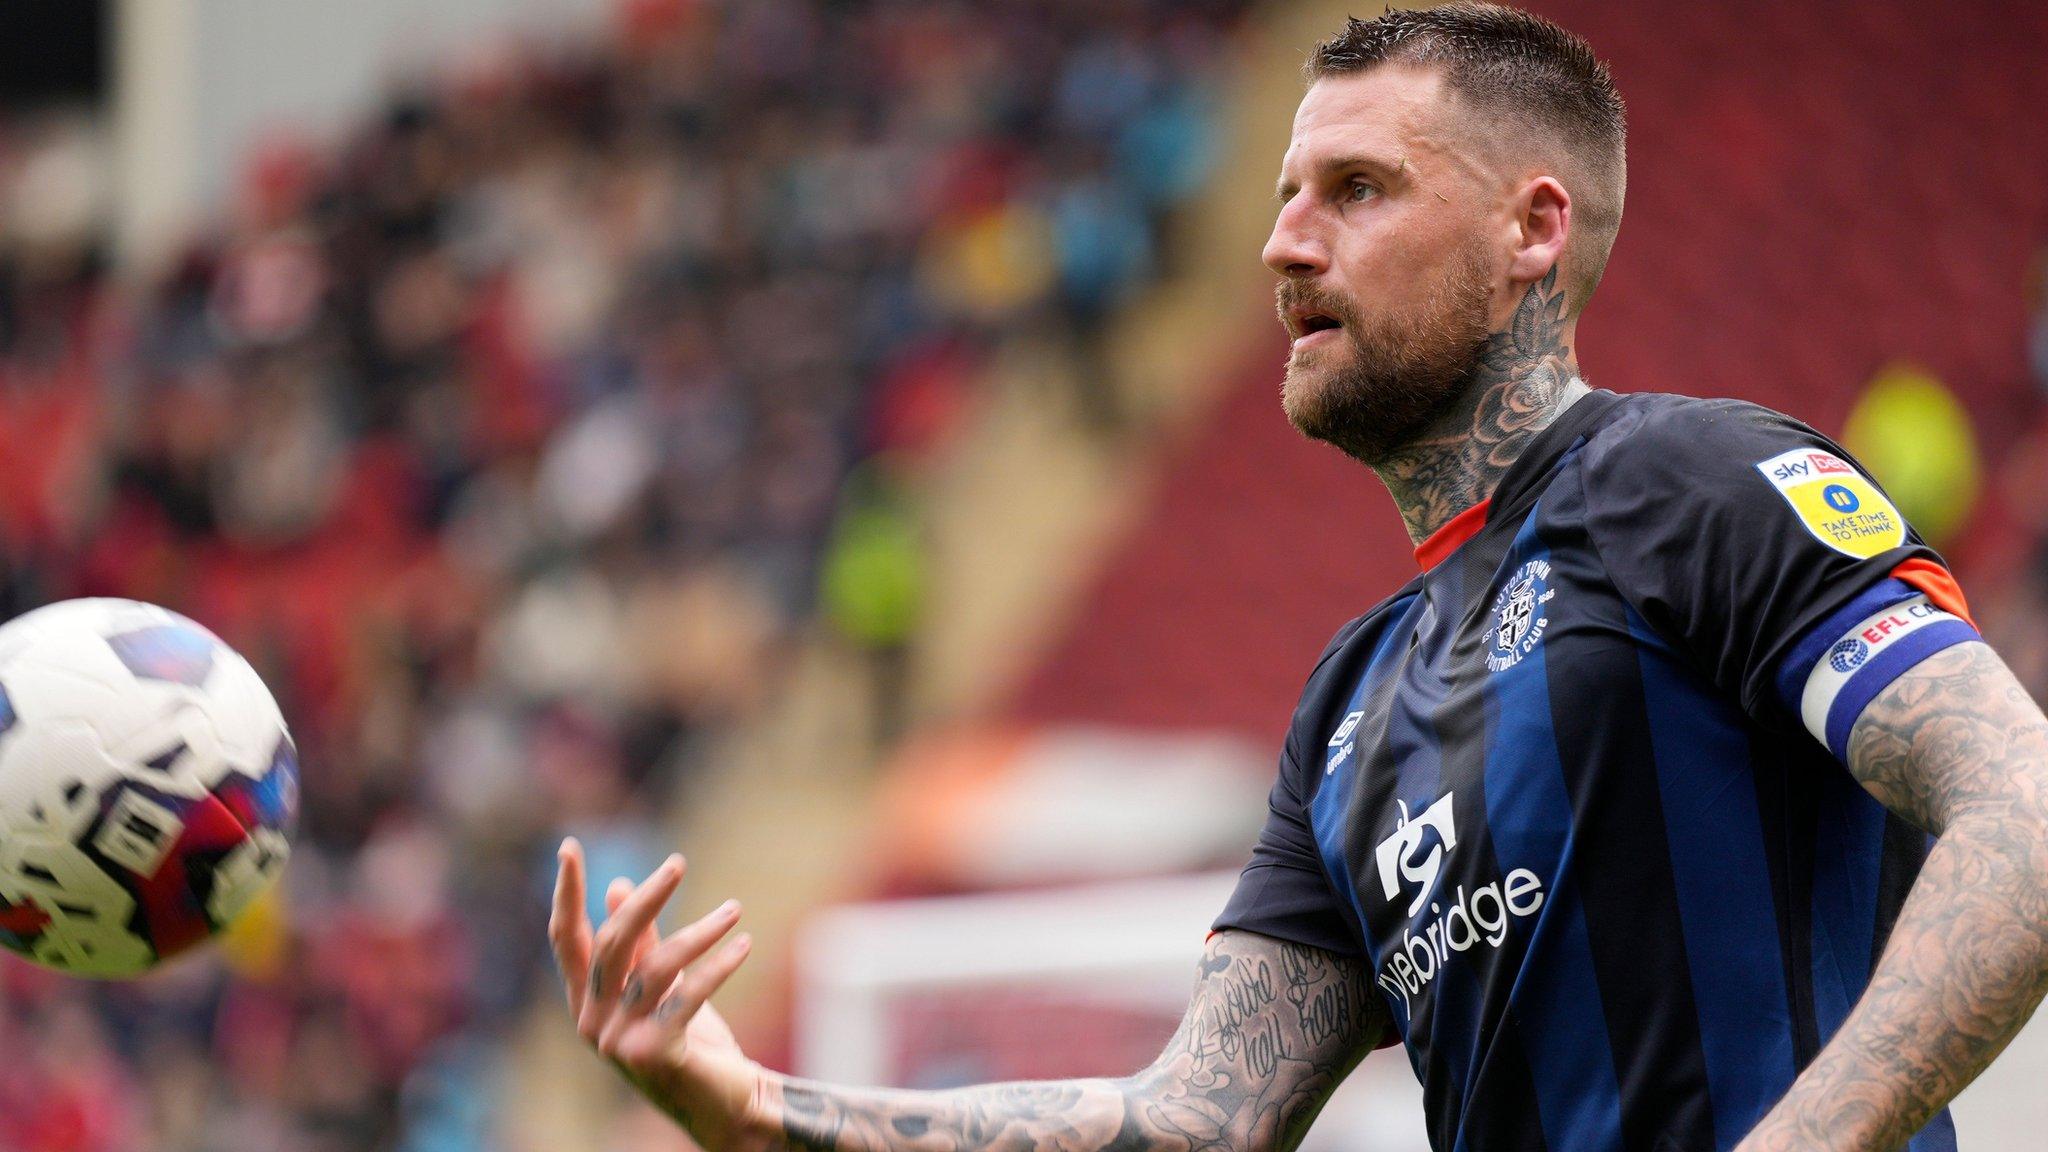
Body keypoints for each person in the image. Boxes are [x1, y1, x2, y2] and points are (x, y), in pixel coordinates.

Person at [548, 6, 2048, 1150]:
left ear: (1533, 228)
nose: (1282, 246)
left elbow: (2025, 823)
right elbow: (1194, 1119)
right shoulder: (1351, 706)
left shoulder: (1696, 487)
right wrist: (760, 1112)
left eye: (1356, 189)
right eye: (1283, 195)